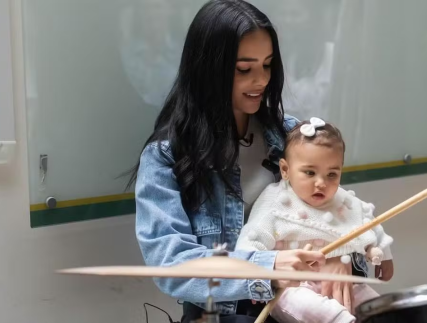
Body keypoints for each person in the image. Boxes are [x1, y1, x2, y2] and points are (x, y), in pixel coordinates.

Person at [130, 1, 357, 322]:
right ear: (209, 69)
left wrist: (343, 255)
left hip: (307, 308)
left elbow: (348, 221)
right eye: (244, 69)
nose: (261, 80)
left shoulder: (294, 135)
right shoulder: (167, 155)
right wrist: (268, 267)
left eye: (267, 65)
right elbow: (171, 264)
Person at [235, 118, 394, 323]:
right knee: (314, 308)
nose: (321, 183)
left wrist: (385, 253)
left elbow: (367, 221)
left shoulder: (343, 200)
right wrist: (256, 279)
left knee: (378, 309)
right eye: (310, 173)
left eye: (332, 174)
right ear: (285, 170)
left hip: (342, 281)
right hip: (293, 286)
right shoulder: (275, 203)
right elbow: (250, 242)